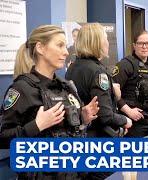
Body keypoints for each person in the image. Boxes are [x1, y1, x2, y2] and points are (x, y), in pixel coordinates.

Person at [0, 25, 99, 180]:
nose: (66, 52)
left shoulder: (67, 87)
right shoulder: (22, 89)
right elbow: (3, 138)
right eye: (59, 45)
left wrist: (83, 119)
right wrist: (36, 125)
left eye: (65, 46)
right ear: (40, 47)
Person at [66, 23, 132, 138]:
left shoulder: (73, 67)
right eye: (105, 38)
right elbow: (105, 115)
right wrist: (125, 120)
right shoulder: (98, 72)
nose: (107, 43)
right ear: (97, 43)